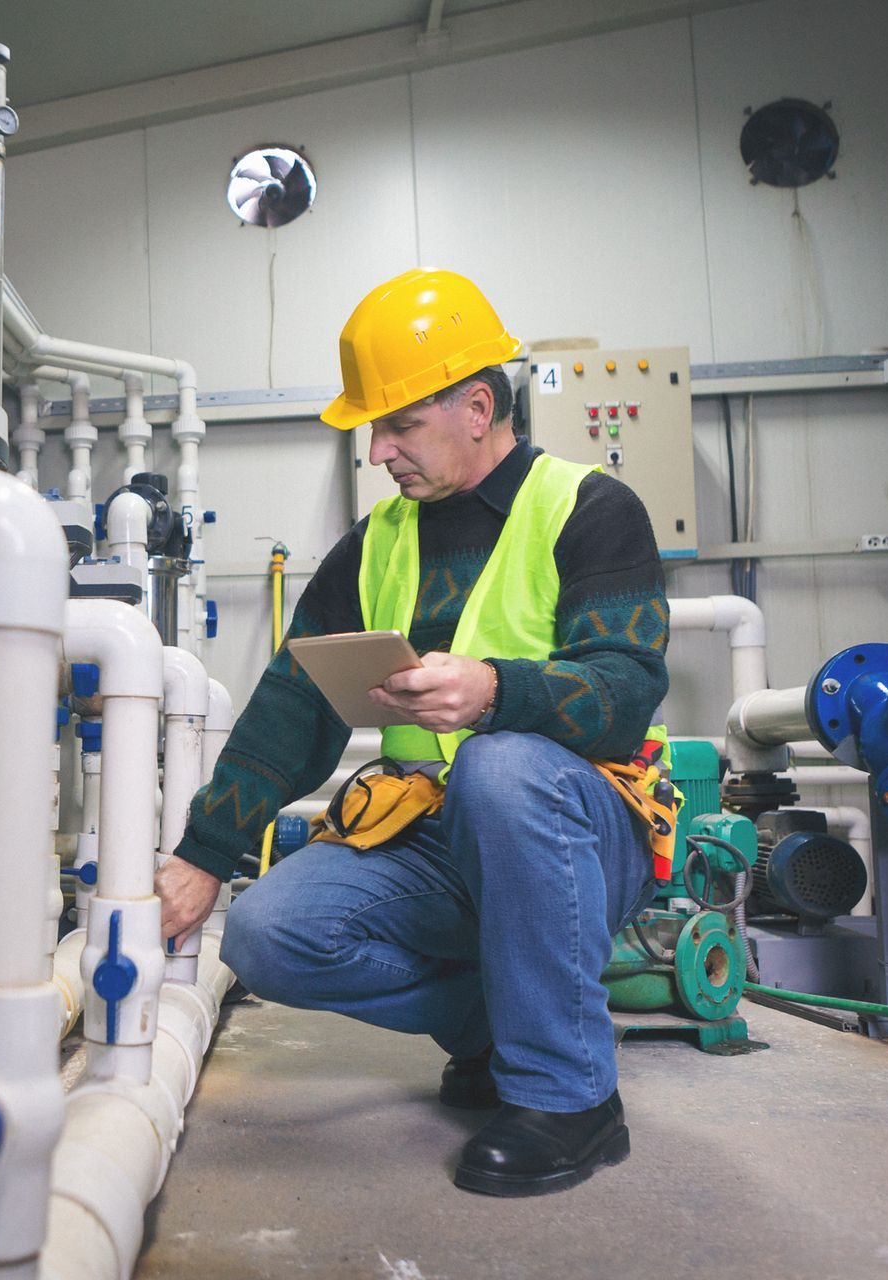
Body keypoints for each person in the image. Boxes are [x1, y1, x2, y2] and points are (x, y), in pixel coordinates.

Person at [155, 268, 671, 1197]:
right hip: (430, 839)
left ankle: (571, 1098)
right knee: (271, 933)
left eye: (398, 426)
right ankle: (501, 1021)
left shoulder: (589, 510)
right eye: (372, 430)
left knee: (504, 768)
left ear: (479, 406)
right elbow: (291, 706)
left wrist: (491, 692)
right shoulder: (374, 543)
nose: (380, 451)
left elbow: (626, 693)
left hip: (581, 834)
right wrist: (205, 851)